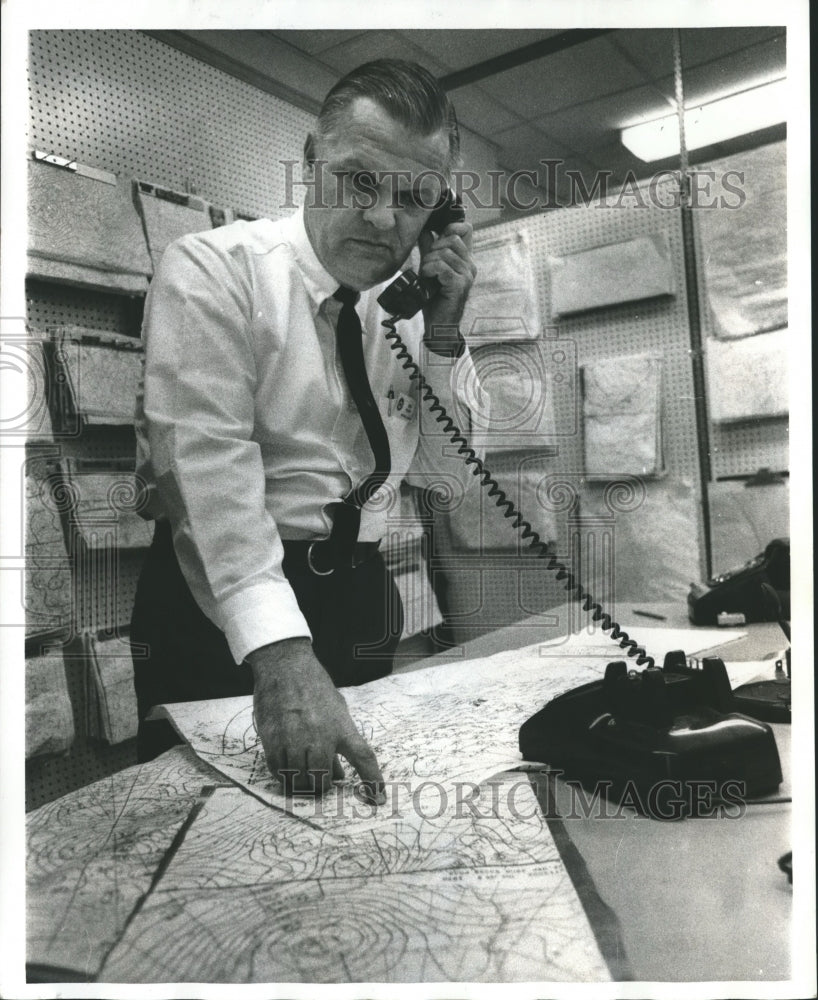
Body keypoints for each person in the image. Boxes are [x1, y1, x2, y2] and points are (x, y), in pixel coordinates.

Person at [130, 59, 487, 803]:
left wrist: (445, 333)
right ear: (308, 163)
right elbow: (206, 477)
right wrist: (282, 656)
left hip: (357, 594)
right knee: (208, 834)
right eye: (359, 181)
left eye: (415, 197)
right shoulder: (214, 270)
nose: (385, 219)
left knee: (350, 832)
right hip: (226, 599)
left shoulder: (412, 308)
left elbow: (449, 481)